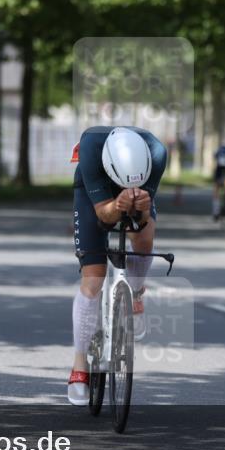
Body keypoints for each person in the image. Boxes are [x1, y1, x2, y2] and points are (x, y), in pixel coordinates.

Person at [69, 126, 167, 406]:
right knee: (93, 279)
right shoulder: (90, 149)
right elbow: (103, 216)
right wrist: (117, 205)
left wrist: (142, 209)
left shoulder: (157, 153)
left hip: (138, 185)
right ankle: (79, 366)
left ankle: (135, 294)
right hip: (94, 194)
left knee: (144, 238)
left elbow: (142, 220)